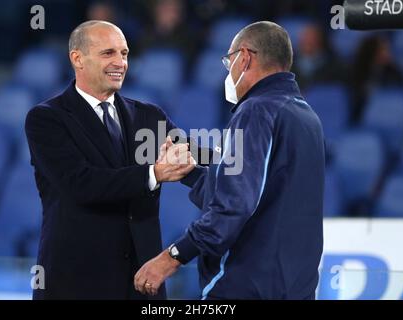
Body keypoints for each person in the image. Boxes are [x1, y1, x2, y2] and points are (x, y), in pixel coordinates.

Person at [134, 21, 325, 300]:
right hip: (297, 286)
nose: (228, 70)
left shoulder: (256, 110)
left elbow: (234, 206)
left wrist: (172, 257)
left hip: (245, 283)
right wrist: (188, 171)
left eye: (229, 61)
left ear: (244, 57)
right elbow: (257, 190)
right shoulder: (306, 115)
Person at [25, 20, 194, 299]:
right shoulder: (47, 119)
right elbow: (81, 184)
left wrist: (245, 154)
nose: (120, 62)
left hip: (142, 282)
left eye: (124, 53)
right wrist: (153, 174)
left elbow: (195, 154)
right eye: (108, 53)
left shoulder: (148, 116)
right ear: (77, 58)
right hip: (76, 284)